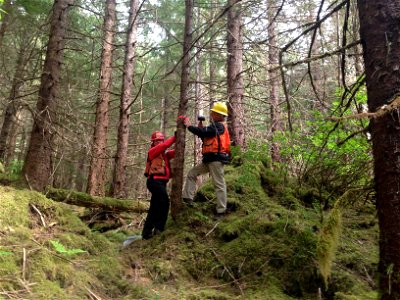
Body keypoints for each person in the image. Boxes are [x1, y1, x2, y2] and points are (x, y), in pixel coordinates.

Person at [183, 102, 231, 218]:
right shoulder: (214, 126)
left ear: (219, 115)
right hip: (209, 159)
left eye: (214, 112)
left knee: (219, 184)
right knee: (192, 174)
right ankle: (187, 199)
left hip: (216, 159)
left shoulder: (219, 126)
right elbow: (205, 135)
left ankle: (221, 211)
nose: (211, 114)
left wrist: (189, 126)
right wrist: (200, 128)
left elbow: (205, 132)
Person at [142, 131, 175, 239]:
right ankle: (159, 228)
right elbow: (165, 145)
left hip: (161, 183)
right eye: (157, 140)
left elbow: (175, 152)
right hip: (154, 181)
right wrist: (176, 136)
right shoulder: (153, 151)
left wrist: (180, 141)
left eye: (161, 140)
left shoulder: (164, 154)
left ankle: (146, 232)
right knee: (165, 202)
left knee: (154, 207)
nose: (160, 142)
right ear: (153, 142)